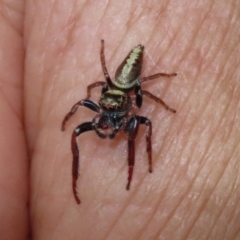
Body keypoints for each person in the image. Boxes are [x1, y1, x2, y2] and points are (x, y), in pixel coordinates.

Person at [1, 1, 239, 239]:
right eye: (105, 113)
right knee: (77, 130)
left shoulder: (133, 98)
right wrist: (74, 112)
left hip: (128, 82)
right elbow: (91, 90)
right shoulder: (103, 101)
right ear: (103, 101)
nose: (109, 121)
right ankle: (78, 175)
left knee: (144, 116)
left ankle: (135, 166)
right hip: (117, 86)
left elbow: (141, 92)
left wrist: (164, 98)